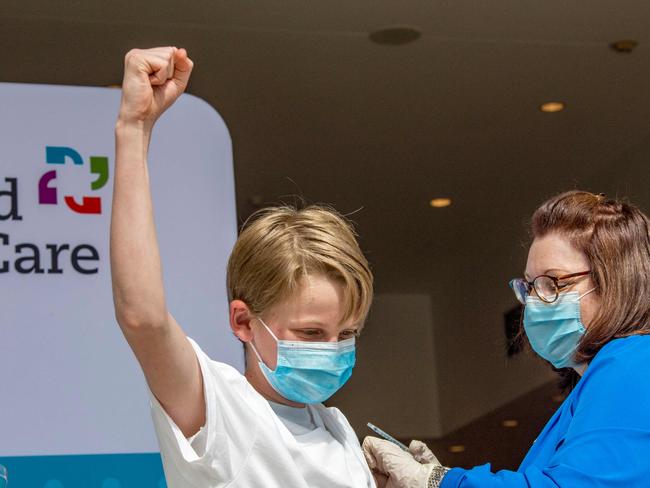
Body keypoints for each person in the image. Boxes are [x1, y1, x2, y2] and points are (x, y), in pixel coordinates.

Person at [110, 46, 378, 487]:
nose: (332, 350)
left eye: (346, 334)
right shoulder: (220, 408)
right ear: (243, 321)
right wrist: (134, 128)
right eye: (311, 333)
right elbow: (143, 317)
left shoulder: (338, 430)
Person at [363, 190, 650, 487]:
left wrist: (438, 481)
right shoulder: (597, 386)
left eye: (552, 283)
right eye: (529, 286)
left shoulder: (634, 363)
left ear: (615, 281)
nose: (534, 302)